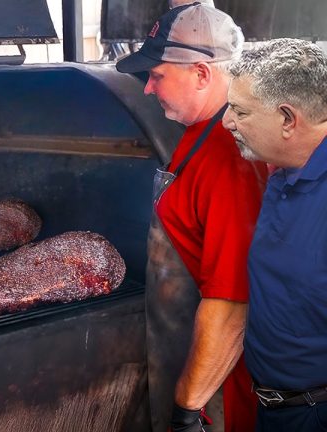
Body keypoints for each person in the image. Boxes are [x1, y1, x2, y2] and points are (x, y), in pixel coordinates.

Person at [115, 3, 267, 431]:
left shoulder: (229, 158)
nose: (147, 89)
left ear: (201, 73)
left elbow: (232, 305)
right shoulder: (201, 132)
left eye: (157, 76)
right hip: (190, 365)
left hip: (218, 397)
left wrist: (187, 411)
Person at [222, 38, 327, 432]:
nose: (226, 122)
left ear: (287, 119)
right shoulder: (285, 170)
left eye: (240, 111)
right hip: (273, 407)